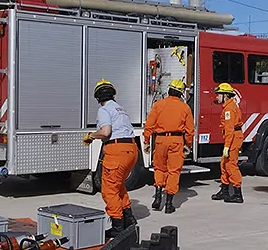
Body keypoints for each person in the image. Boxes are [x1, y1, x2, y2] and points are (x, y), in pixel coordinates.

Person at [83, 79, 139, 238]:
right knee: (119, 186)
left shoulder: (104, 109)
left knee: (109, 190)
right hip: (131, 150)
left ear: (97, 97)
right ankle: (129, 220)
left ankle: (117, 227)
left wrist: (91, 136)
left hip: (116, 151)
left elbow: (106, 132)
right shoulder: (120, 109)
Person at [143, 79, 195, 213]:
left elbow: (149, 124)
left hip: (160, 140)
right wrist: (188, 144)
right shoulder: (185, 108)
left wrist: (147, 141)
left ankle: (157, 197)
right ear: (181, 93)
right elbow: (190, 130)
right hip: (177, 141)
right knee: (174, 171)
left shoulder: (158, 105)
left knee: (159, 168)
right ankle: (169, 204)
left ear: (169, 90)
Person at [210, 83, 244, 203]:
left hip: (233, 138)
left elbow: (229, 130)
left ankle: (237, 194)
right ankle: (224, 191)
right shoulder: (229, 106)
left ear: (225, 95)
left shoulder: (229, 109)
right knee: (224, 164)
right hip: (233, 137)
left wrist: (227, 147)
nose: (217, 97)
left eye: (219, 95)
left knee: (231, 165)